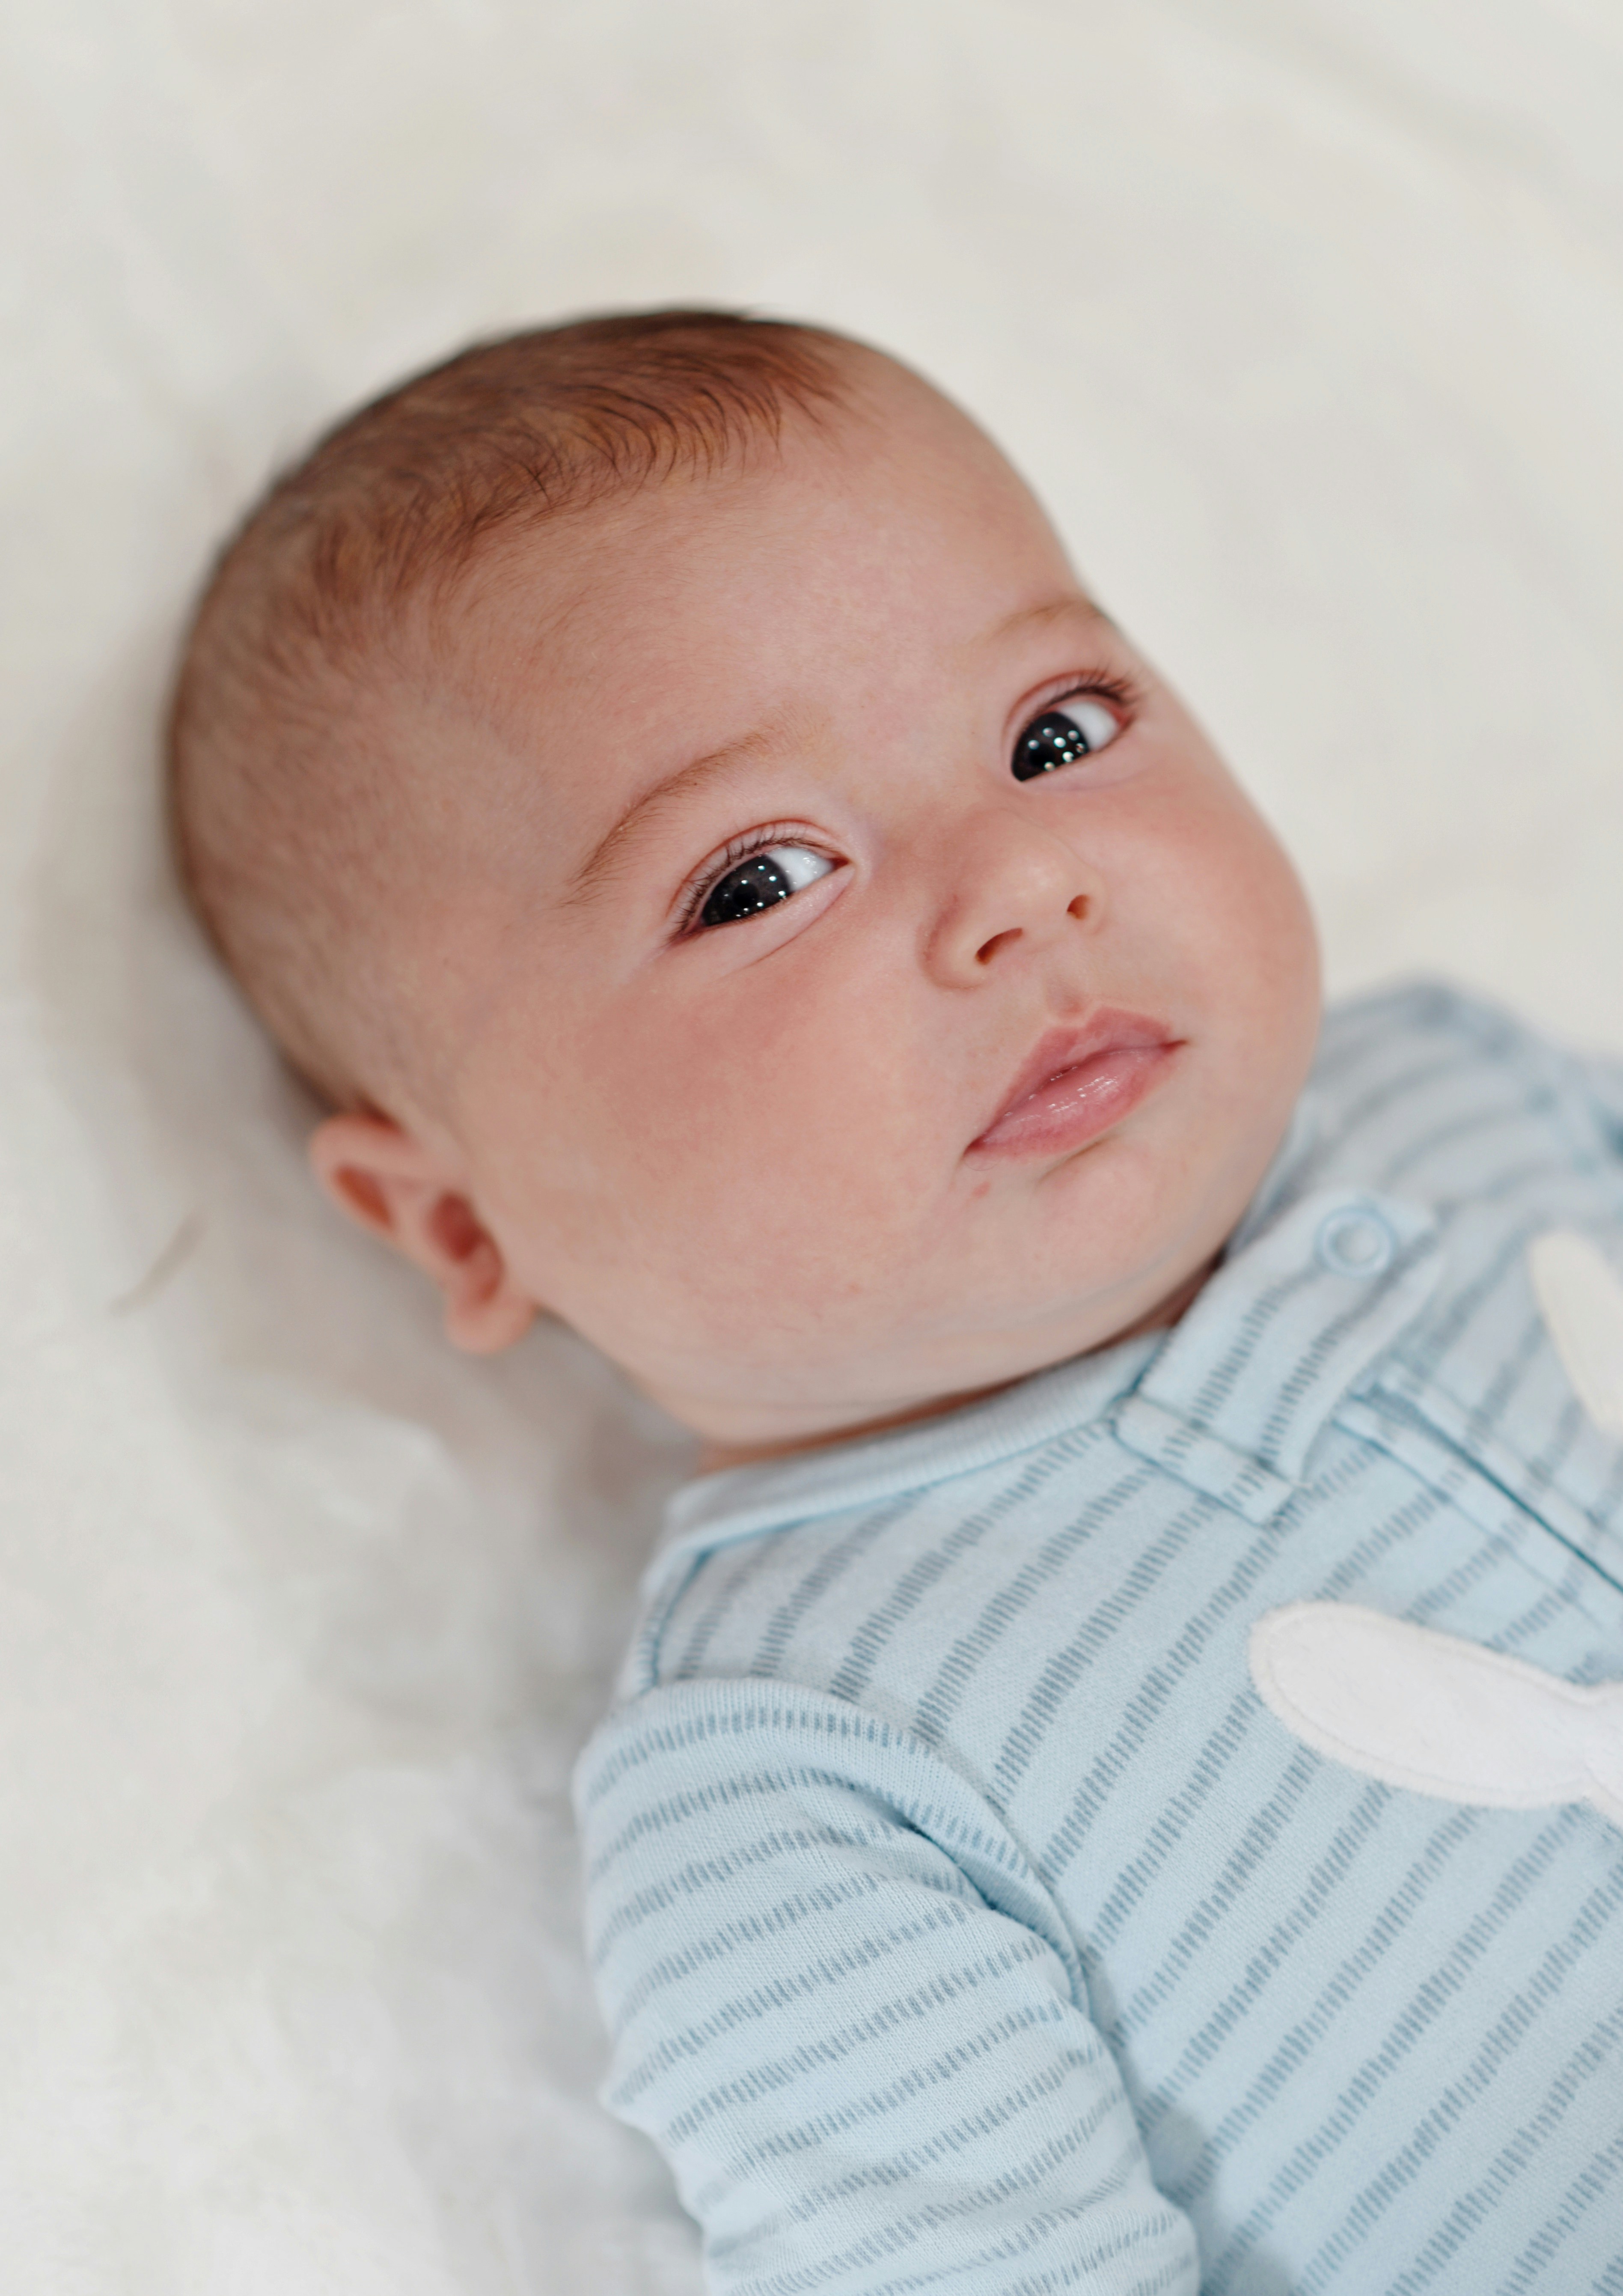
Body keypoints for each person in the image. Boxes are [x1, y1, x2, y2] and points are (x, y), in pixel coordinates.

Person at [168, 309, 1623, 2292]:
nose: (1020, 880)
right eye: (761, 879)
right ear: (461, 1225)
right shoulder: (803, 1775)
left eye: (1057, 734)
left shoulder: (1457, 1080)